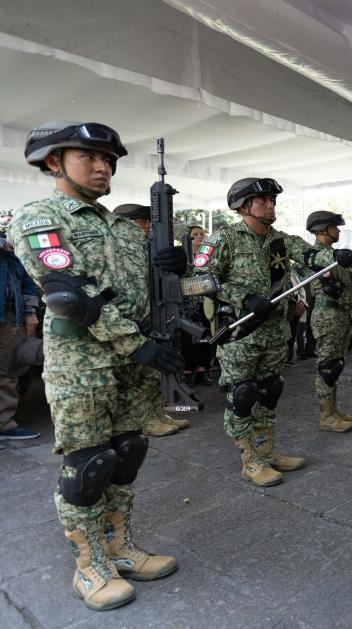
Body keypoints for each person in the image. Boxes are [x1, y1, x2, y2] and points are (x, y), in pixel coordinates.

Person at [12, 121, 184, 610]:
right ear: (54, 162)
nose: (102, 166)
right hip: (81, 364)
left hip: (132, 361)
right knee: (89, 463)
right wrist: (136, 344)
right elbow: (67, 295)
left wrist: (178, 270)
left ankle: (118, 547)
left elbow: (150, 293)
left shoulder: (123, 228)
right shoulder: (39, 217)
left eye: (108, 159)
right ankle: (88, 568)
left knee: (127, 453)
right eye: (88, 156)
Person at [202, 177, 352, 487]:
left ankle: (267, 451)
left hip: (274, 333)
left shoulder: (281, 240)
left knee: (270, 390)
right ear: (243, 206)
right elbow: (199, 280)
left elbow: (311, 255)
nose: (271, 205)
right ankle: (249, 460)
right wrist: (244, 298)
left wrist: (335, 257)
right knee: (242, 394)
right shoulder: (222, 239)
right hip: (240, 335)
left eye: (273, 200)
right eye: (263, 200)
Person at [112, 203, 191, 438]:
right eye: (142, 221)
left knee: (153, 372)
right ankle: (145, 420)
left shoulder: (147, 247)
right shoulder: (115, 248)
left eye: (148, 221)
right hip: (126, 320)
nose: (147, 226)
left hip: (151, 313)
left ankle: (157, 413)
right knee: (136, 375)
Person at [305, 210, 352, 432]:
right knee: (327, 367)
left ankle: (334, 410)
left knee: (336, 366)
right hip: (328, 316)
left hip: (340, 315)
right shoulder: (317, 256)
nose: (338, 231)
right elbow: (329, 288)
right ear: (322, 230)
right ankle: (326, 417)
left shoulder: (334, 256)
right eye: (334, 227)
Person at [0, 211, 41, 442]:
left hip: (8, 314)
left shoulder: (11, 251)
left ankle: (4, 424)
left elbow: (26, 282)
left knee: (7, 371)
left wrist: (30, 313)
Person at [182, 225, 214, 386]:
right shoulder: (183, 256)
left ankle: (202, 370)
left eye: (202, 234)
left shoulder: (210, 255)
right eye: (195, 234)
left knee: (208, 337)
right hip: (188, 303)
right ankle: (188, 370)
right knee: (188, 338)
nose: (200, 236)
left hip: (206, 301)